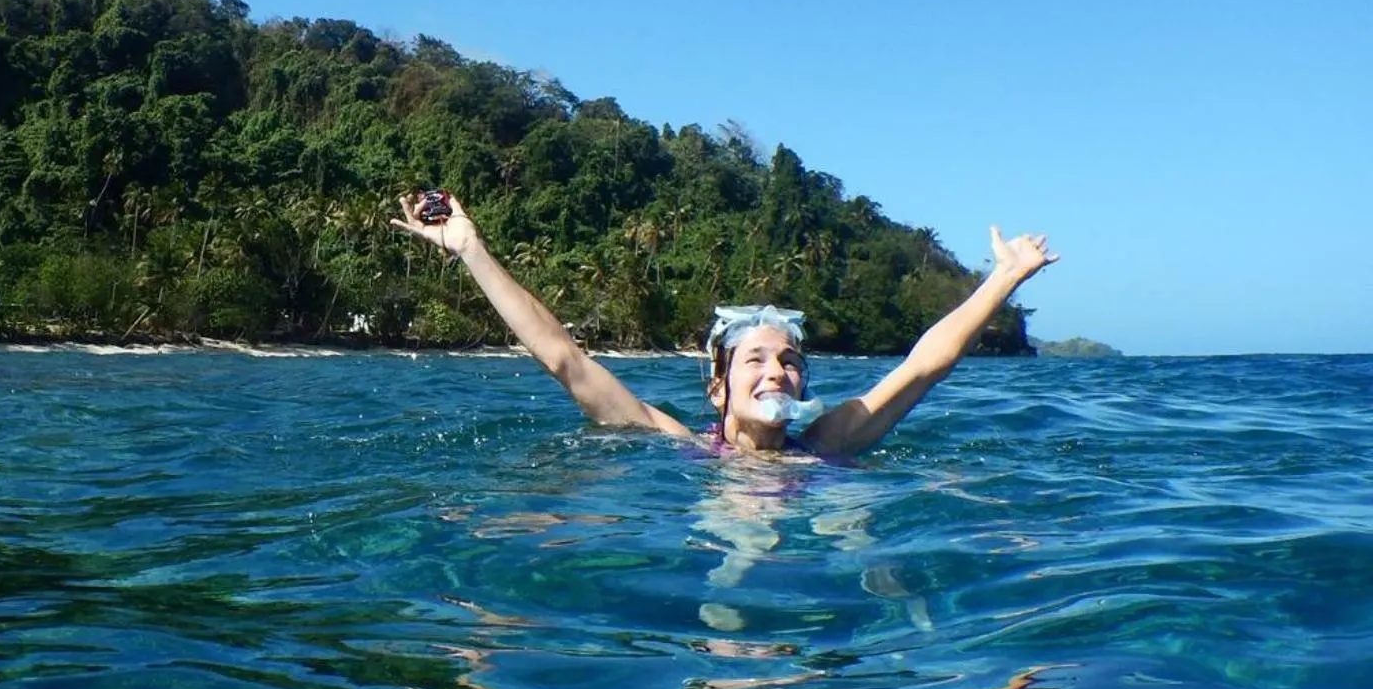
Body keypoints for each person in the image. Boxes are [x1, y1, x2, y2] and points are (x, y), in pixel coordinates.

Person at [390, 191, 1057, 459]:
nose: (777, 371)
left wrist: (1003, 279)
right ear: (719, 389)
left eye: (790, 360)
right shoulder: (682, 448)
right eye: (757, 359)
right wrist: (472, 250)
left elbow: (921, 368)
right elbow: (565, 359)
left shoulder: (826, 442)